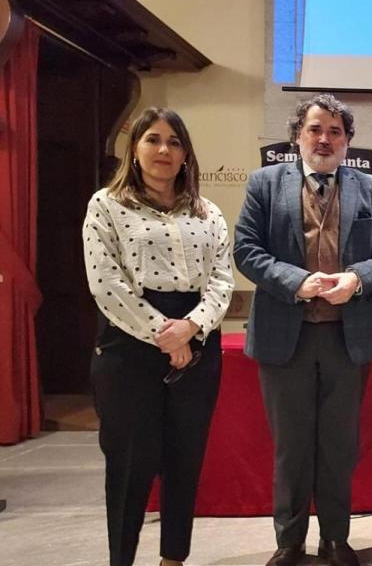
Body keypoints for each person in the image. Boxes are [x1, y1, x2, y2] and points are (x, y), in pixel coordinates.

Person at [234, 94, 372, 566]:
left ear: (348, 140)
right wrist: (298, 282)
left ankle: (335, 538)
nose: (324, 139)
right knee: (291, 446)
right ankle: (289, 541)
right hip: (283, 338)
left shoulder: (371, 189)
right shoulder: (265, 184)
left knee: (338, 445)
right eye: (315, 129)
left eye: (335, 131)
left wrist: (356, 279)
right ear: (297, 136)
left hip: (347, 340)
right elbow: (245, 250)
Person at [83, 107, 234, 566]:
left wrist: (191, 327)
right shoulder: (106, 205)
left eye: (173, 141)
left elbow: (222, 280)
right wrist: (164, 335)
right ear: (135, 148)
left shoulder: (208, 212)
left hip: (198, 340)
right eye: (153, 139)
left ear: (186, 153)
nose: (163, 150)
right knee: (130, 464)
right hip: (129, 346)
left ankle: (174, 559)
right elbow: (106, 282)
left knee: (184, 460)